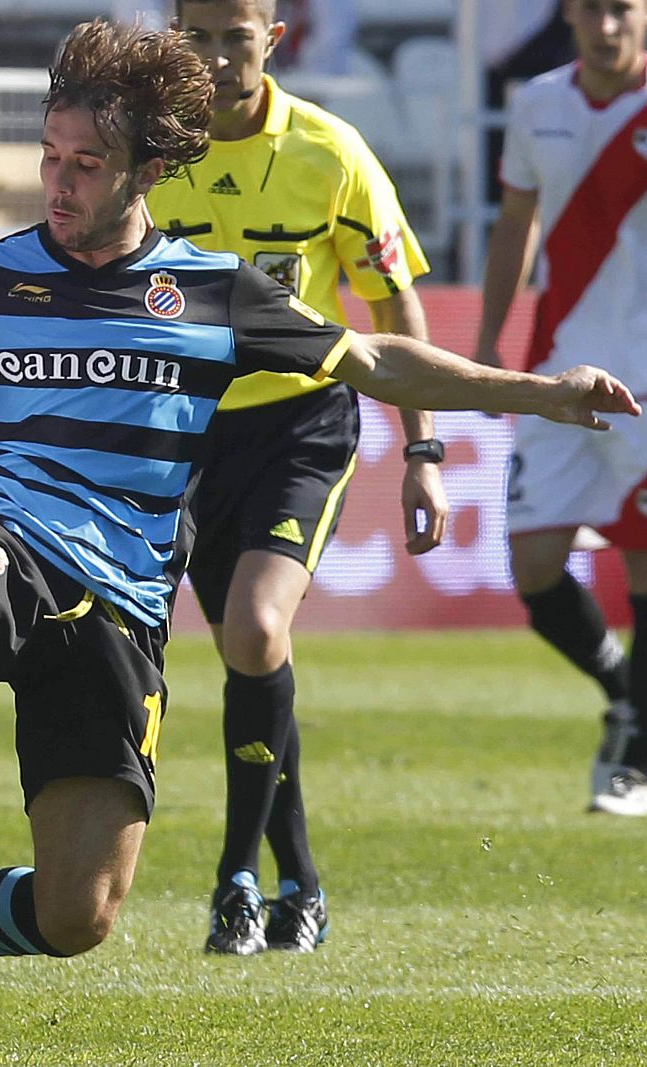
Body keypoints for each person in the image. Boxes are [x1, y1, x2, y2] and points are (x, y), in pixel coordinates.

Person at [0, 19, 639, 1030]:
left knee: (78, 913)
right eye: (49, 158)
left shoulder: (213, 292)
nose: (58, 184)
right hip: (1, 548)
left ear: (146, 168)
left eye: (86, 164)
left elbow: (379, 363)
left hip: (117, 604)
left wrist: (538, 392)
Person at [144, 0, 447, 955]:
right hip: (189, 432)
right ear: (174, 40)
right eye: (199, 37)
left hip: (303, 423)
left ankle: (236, 877)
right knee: (250, 654)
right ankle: (301, 881)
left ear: (271, 41)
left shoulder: (330, 151)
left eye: (238, 38)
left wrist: (424, 453)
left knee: (256, 625)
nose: (220, 58)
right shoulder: (151, 155)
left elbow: (393, 299)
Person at [474, 0, 647, 817]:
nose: (606, 26)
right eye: (591, 10)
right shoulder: (538, 101)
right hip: (561, 370)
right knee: (534, 564)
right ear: (569, 15)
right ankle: (625, 688)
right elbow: (517, 220)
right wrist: (486, 335)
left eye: (621, 9)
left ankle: (634, 765)